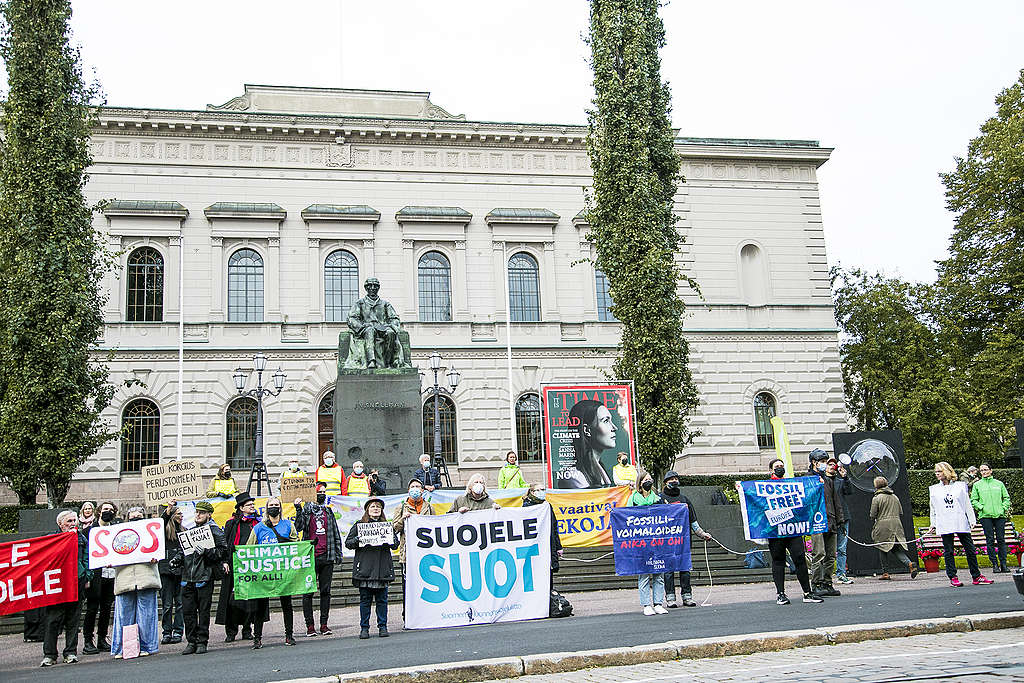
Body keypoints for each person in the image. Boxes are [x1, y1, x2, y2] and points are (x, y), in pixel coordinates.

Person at [759, 458, 821, 605]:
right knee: (778, 561)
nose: (780, 468)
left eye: (782, 466)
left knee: (800, 559)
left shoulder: (792, 485)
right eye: (777, 466)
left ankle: (807, 592)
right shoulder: (765, 486)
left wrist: (819, 484)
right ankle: (780, 594)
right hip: (776, 531)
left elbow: (806, 495)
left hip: (793, 530)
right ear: (771, 470)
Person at [245, 496, 298, 648]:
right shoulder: (259, 527)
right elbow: (249, 547)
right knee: (260, 606)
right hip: (264, 572)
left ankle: (289, 635)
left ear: (280, 508)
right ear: (267, 508)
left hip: (283, 570)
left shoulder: (288, 524)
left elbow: (296, 544)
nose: (274, 507)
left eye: (276, 504)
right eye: (271, 505)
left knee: (286, 604)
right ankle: (257, 638)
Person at [40, 510, 91, 667]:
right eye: (69, 521)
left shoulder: (81, 538)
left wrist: (87, 576)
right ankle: (50, 655)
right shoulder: (50, 539)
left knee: (73, 620)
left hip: (76, 583)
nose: (73, 524)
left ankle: (70, 652)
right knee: (52, 621)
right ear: (60, 524)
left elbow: (87, 558)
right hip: (57, 586)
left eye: (74, 520)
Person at [929, 461, 992, 587]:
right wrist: (933, 523)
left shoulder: (960, 486)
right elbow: (933, 508)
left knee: (970, 549)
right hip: (945, 522)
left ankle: (976, 575)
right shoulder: (934, 489)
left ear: (946, 471)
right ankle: (952, 576)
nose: (937, 474)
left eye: (939, 471)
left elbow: (966, 503)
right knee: (949, 550)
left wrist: (972, 519)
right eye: (936, 472)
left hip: (960, 521)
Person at [110, 506, 161, 658]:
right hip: (124, 577)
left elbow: (159, 550)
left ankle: (147, 646)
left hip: (146, 576)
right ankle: (122, 647)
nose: (136, 518)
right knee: (123, 615)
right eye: (133, 517)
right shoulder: (116, 533)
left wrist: (156, 556)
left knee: (147, 615)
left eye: (139, 516)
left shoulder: (152, 533)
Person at [345, 497, 400, 639]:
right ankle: (364, 628)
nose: (376, 509)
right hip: (365, 569)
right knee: (365, 601)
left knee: (382, 600)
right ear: (367, 510)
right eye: (373, 506)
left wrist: (391, 539)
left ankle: (382, 626)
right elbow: (348, 543)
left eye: (378, 507)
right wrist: (358, 540)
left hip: (382, 569)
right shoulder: (359, 526)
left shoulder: (387, 526)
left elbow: (395, 544)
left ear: (381, 510)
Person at [294, 482, 342, 637]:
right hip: (310, 557)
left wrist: (338, 553)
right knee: (308, 592)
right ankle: (310, 626)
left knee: (325, 591)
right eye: (319, 491)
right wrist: (298, 508)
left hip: (327, 556)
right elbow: (299, 527)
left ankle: (324, 624)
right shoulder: (307, 512)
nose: (322, 493)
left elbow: (335, 532)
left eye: (324, 491)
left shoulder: (328, 512)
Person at [180, 500, 228, 655]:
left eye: (201, 512)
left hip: (204, 577)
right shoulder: (191, 530)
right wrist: (177, 559)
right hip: (188, 577)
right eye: (197, 512)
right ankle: (191, 641)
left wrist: (207, 552)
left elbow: (222, 552)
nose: (198, 515)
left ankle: (202, 641)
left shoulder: (215, 531)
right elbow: (184, 552)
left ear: (209, 514)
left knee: (203, 611)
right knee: (188, 612)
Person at [660, 471, 712, 608]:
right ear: (665, 482)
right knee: (668, 571)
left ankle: (687, 596)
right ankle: (670, 598)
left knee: (685, 570)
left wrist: (702, 534)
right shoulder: (659, 499)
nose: (674, 481)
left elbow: (693, 521)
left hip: (684, 542)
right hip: (666, 542)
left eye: (676, 478)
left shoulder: (685, 499)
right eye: (671, 479)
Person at [391, 477, 436, 621]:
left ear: (422, 491)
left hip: (425, 554)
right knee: (408, 587)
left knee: (427, 585)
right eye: (412, 487)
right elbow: (394, 529)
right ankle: (408, 615)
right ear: (408, 490)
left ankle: (427, 614)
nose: (415, 489)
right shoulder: (401, 507)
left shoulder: (429, 507)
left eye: (418, 486)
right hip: (407, 554)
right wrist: (403, 519)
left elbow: (435, 527)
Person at [217, 492, 259, 641]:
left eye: (253, 504)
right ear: (241, 508)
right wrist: (225, 561)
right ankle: (231, 630)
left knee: (250, 599)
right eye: (249, 505)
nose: (252, 506)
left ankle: (247, 629)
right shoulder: (232, 523)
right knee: (231, 600)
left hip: (251, 567)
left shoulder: (257, 523)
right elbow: (226, 544)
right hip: (234, 566)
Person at [82, 501, 120, 655]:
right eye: (105, 509)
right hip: (96, 574)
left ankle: (102, 638)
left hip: (111, 574)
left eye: (111, 510)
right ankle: (87, 640)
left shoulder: (117, 529)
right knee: (92, 608)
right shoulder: (89, 531)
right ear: (99, 512)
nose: (108, 512)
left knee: (106, 608)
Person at [345, 277, 407, 369]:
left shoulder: (385, 304)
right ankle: (371, 361)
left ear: (378, 288)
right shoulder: (360, 303)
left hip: (383, 328)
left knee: (390, 333)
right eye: (370, 286)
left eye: (375, 286)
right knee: (370, 330)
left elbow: (394, 318)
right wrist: (362, 326)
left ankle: (388, 362)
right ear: (366, 288)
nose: (373, 288)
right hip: (366, 329)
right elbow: (352, 318)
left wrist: (390, 326)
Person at [628, 472, 667, 615]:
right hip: (641, 542)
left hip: (657, 541)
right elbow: (627, 517)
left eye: (650, 479)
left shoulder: (657, 498)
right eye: (646, 479)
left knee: (659, 573)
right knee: (644, 574)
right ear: (640, 482)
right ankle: (646, 604)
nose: (649, 481)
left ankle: (658, 603)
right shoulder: (633, 498)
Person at [807, 449, 842, 598]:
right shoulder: (808, 479)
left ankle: (827, 583)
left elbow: (836, 500)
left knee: (830, 555)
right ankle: (816, 584)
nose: (823, 464)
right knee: (819, 553)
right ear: (814, 462)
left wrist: (839, 519)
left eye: (825, 461)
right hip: (816, 522)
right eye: (821, 461)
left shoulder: (828, 479)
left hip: (831, 519)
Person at [559, 399, 616, 489]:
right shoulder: (574, 476)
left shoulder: (600, 468)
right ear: (587, 430)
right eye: (606, 421)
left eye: (610, 421)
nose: (614, 428)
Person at [869, 476, 918, 580]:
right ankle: (909, 564)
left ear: (876, 485)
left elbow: (872, 514)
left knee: (882, 548)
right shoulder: (895, 497)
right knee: (895, 548)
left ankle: (885, 572)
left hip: (883, 525)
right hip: (896, 524)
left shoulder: (877, 498)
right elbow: (900, 511)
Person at [971, 463, 1012, 573]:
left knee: (1001, 539)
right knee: (989, 540)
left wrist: (1003, 508)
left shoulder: (999, 484)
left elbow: (1006, 498)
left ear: (991, 470)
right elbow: (974, 500)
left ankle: (1003, 564)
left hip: (1000, 515)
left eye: (985, 469)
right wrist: (981, 508)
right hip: (985, 516)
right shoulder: (977, 485)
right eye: (981, 470)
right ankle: (994, 564)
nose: (983, 472)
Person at [522, 484, 562, 587]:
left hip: (548, 544)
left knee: (549, 573)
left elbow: (554, 527)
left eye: (543, 489)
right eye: (538, 490)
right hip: (534, 546)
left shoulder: (547, 506)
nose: (541, 492)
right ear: (532, 492)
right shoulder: (526, 507)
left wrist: (558, 547)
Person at [158, 503, 185, 644]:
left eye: (182, 514)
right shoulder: (163, 531)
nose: (181, 516)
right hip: (165, 571)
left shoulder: (183, 531)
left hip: (180, 571)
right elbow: (161, 522)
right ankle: (167, 632)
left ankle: (178, 631)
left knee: (180, 603)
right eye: (178, 514)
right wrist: (167, 510)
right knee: (167, 604)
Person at [828, 456, 854, 585]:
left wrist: (845, 478)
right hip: (829, 518)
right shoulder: (823, 481)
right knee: (828, 549)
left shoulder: (840, 481)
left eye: (834, 464)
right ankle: (826, 576)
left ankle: (841, 573)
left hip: (843, 517)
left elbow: (849, 492)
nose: (832, 466)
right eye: (829, 464)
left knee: (842, 547)